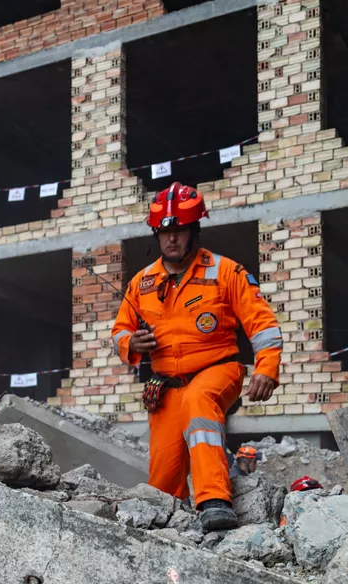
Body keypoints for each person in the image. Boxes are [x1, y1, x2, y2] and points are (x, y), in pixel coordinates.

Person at [112, 182, 283, 533]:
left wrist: (266, 367)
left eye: (179, 230)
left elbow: (262, 323)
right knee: (163, 478)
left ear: (194, 231)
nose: (171, 239)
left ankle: (214, 500)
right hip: (165, 387)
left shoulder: (226, 272)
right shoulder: (141, 283)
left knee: (199, 400)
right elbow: (119, 331)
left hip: (218, 369)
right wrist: (132, 343)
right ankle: (167, 532)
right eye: (164, 232)